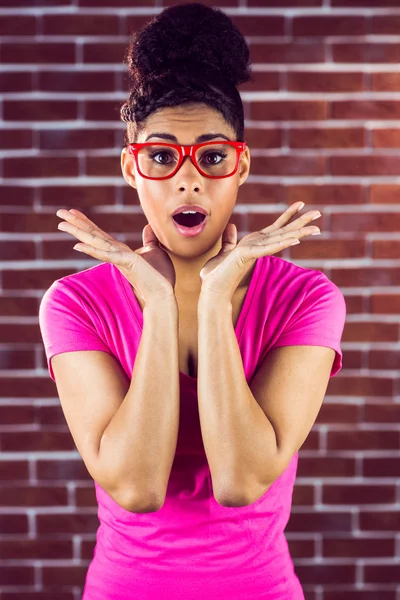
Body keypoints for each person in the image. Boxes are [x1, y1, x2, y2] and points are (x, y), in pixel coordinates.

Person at [38, 4, 346, 599]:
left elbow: (240, 480)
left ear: (240, 166)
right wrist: (156, 304)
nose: (189, 181)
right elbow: (136, 488)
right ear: (132, 168)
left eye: (211, 157)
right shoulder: (75, 304)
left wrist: (211, 303)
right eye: (161, 157)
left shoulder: (307, 298)